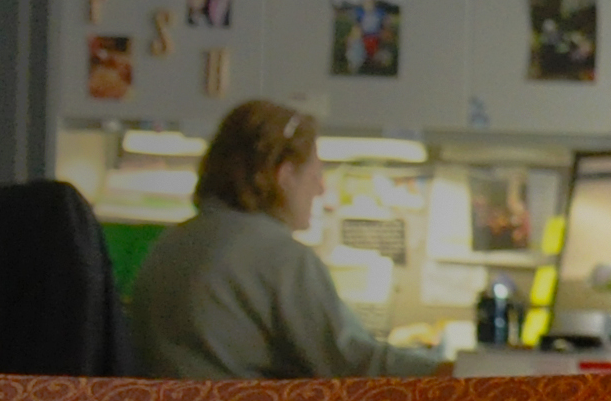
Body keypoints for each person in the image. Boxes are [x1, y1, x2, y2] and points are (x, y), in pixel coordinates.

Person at [127, 100, 443, 380]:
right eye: (315, 175)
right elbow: (352, 362)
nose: (320, 189)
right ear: (284, 175)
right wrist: (451, 371)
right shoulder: (279, 257)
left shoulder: (170, 244)